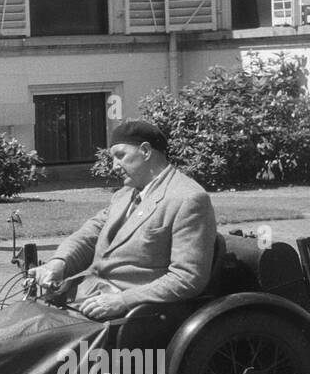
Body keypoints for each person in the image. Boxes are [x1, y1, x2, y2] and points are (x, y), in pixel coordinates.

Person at [34, 119, 217, 319]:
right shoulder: (125, 193)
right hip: (87, 298)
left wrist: (123, 300)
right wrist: (59, 263)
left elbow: (187, 278)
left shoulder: (187, 198)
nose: (114, 166)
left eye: (120, 156)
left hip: (135, 317)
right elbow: (90, 234)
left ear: (146, 151)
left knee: (31, 343)